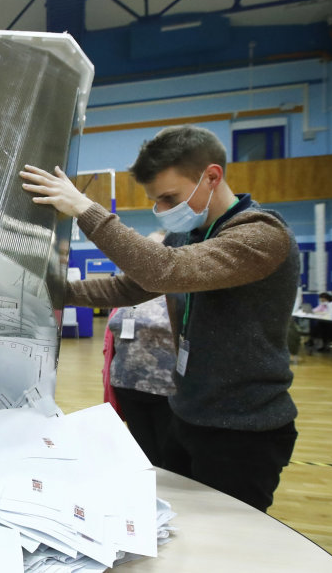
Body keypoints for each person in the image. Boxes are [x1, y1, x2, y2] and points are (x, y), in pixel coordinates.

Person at [21, 124, 299, 512]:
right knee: (177, 527)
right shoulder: (190, 238)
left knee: (227, 544)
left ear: (212, 176)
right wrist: (49, 291)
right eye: (157, 202)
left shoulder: (260, 235)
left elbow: (162, 271)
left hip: (242, 430)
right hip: (187, 414)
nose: (164, 212)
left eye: (170, 198)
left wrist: (85, 208)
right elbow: (128, 289)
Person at [104, 294, 177, 467]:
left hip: (166, 390)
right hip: (126, 386)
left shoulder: (177, 294)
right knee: (144, 452)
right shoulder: (126, 293)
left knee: (168, 455)